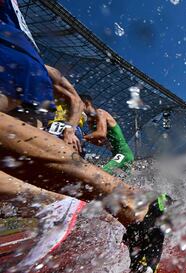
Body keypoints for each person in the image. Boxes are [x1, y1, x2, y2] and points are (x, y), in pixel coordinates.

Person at [0, 1, 168, 271]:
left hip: (123, 154)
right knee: (16, 159)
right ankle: (63, 205)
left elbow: (100, 134)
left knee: (100, 169)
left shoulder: (98, 112)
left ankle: (99, 205)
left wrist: (71, 129)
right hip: (21, 66)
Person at [79, 94, 135, 175]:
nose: (76, 108)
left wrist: (83, 137)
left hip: (124, 154)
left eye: (78, 105)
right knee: (122, 183)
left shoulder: (100, 112)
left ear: (86, 103)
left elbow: (101, 134)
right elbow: (100, 143)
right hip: (116, 155)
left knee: (100, 175)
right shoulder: (90, 122)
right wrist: (87, 138)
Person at [45, 65, 86, 155]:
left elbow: (78, 102)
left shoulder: (45, 70)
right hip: (50, 126)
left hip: (62, 126)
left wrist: (69, 130)